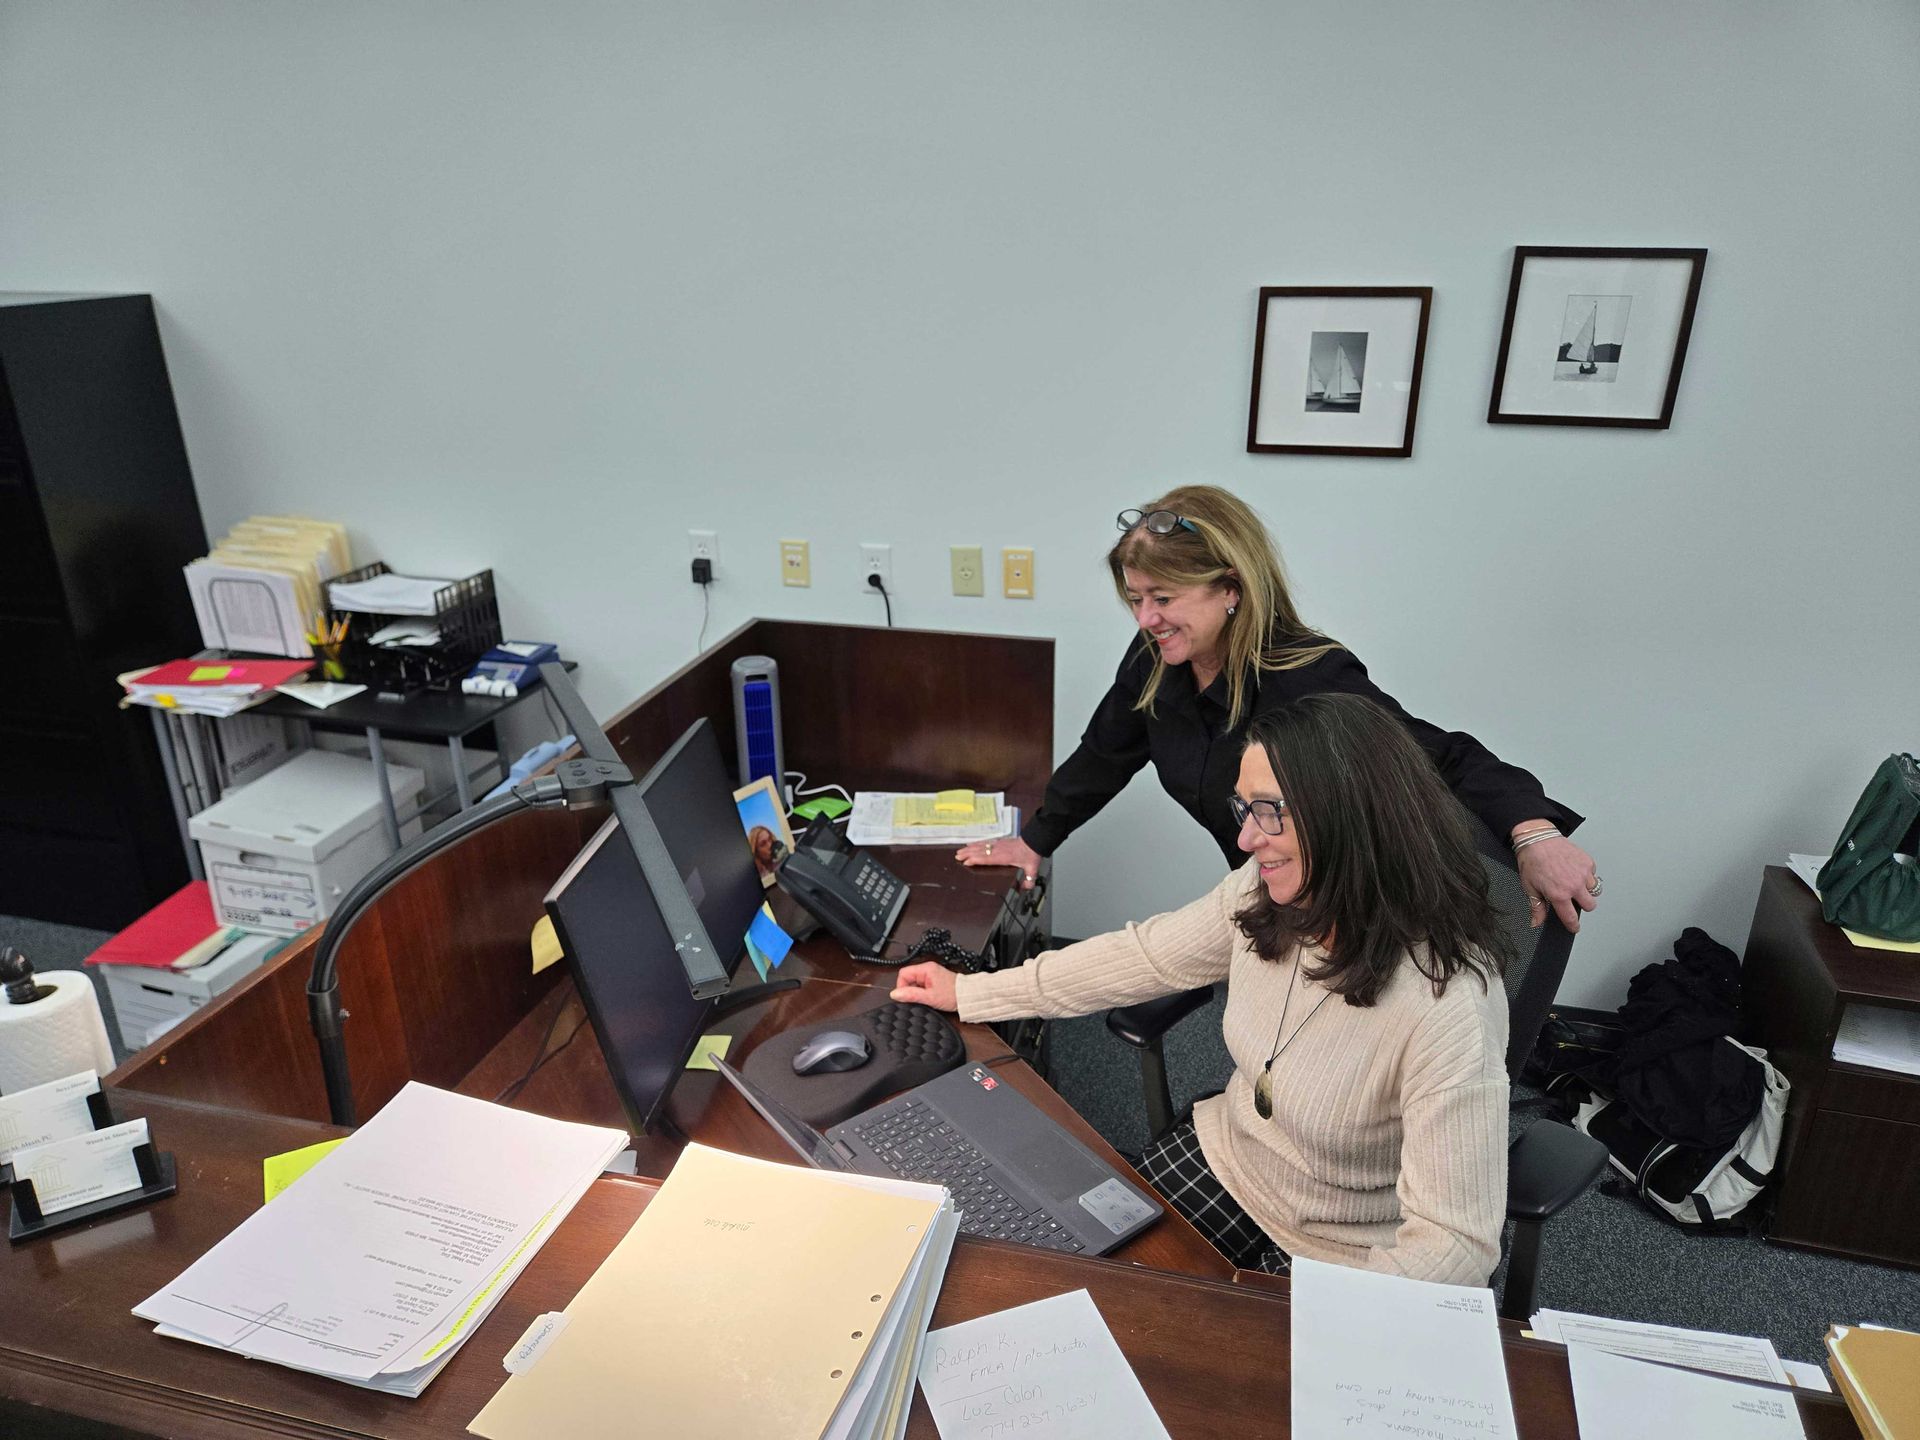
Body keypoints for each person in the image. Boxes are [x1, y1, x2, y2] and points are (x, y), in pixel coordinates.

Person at [899, 694, 1511, 1282]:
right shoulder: (1262, 890)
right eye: (1243, 809)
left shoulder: (1449, 1003)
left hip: (1342, 1250)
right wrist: (973, 993)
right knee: (1069, 1267)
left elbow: (1454, 1245)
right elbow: (1142, 957)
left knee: (1207, 1367)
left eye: (1268, 811)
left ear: (1349, 817)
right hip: (1227, 1157)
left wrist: (1337, 1320)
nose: (1245, 839)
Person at [956, 485, 1600, 929]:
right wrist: (1036, 842)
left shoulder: (1309, 674)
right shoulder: (1158, 661)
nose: (1146, 618)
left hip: (1354, 918)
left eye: (1164, 598)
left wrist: (1532, 832)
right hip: (1269, 900)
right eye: (1134, 599)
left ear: (1230, 587)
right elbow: (1103, 754)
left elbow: (1440, 756)